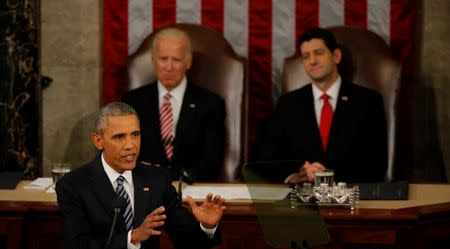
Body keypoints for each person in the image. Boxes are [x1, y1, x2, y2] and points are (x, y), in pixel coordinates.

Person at [55, 102, 225, 249]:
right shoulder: (73, 185)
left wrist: (207, 226)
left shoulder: (157, 179)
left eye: (135, 134)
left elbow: (187, 243)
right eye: (119, 137)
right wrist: (132, 238)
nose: (130, 145)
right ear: (98, 141)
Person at [258, 27, 387, 183]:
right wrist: (294, 177)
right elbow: (267, 157)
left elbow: (376, 162)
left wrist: (328, 177)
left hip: (351, 198)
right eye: (306, 56)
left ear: (336, 56)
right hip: (300, 199)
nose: (312, 61)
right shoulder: (288, 104)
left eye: (319, 53)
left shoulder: (368, 101)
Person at [123, 27, 226, 182]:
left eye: (176, 60)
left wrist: (168, 175)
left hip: (191, 190)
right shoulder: (132, 101)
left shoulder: (211, 104)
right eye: (163, 59)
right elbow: (120, 153)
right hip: (142, 190)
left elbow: (211, 163)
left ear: (188, 62)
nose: (169, 67)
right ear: (153, 60)